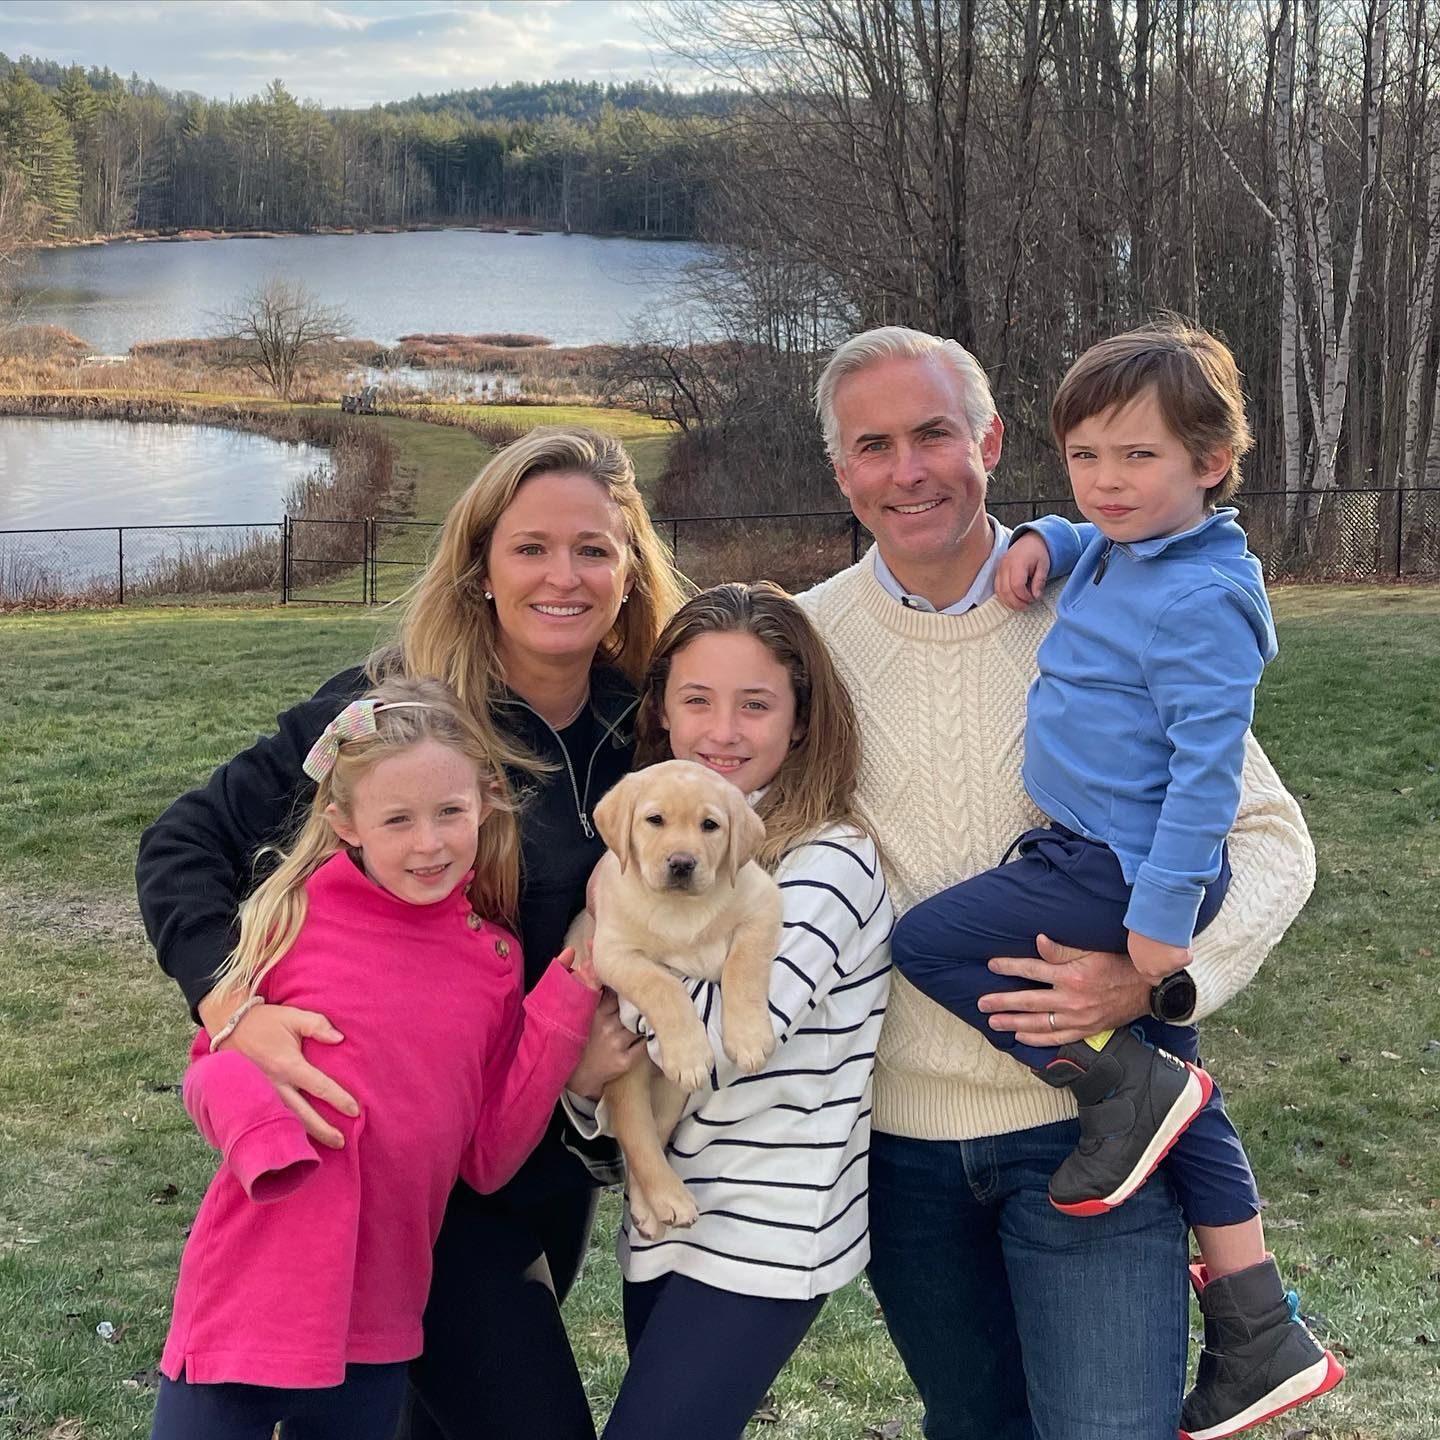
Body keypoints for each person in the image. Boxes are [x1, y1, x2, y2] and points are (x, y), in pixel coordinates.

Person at [794, 326, 1317, 1440]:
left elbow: (1270, 839)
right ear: (842, 471)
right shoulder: (804, 641)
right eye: (873, 445)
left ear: (985, 439)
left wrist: (1161, 988)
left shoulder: (1107, 602)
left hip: (1088, 1134)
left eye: (935, 433)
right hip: (900, 1146)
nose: (909, 470)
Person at [137, 427, 691, 1440]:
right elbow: (186, 843)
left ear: (628, 568)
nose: (562, 576)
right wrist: (232, 1007)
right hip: (393, 1178)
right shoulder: (394, 712)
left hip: (533, 1164)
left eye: (593, 549)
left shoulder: (648, 731)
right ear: (481, 565)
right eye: (530, 547)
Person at [150, 679, 601, 1439]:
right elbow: (211, 1066)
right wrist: (267, 1140)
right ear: (345, 823)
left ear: (485, 803)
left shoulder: (493, 961)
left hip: (383, 1323)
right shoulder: (288, 920)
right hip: (248, 1305)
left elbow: (487, 1157)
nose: (428, 843)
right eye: (398, 820)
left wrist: (566, 999)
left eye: (449, 813)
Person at [564, 582, 893, 1440]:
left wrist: (611, 1015)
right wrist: (588, 1072)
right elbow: (603, 1054)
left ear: (800, 719)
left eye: (756, 704)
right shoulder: (651, 838)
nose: (723, 730)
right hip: (664, 1219)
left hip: (769, 1231)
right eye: (697, 700)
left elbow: (719, 1037)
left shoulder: (833, 861)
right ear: (664, 711)